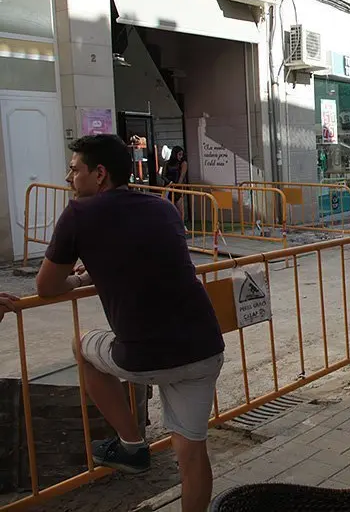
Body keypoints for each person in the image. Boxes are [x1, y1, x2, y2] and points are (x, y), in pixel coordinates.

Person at [35, 134, 224, 512]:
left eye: (75, 170)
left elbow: (46, 287)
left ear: (99, 174)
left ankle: (131, 445)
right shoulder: (162, 207)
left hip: (144, 355)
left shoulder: (79, 213)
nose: (70, 178)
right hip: (204, 347)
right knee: (192, 454)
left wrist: (76, 279)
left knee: (82, 346)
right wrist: (96, 272)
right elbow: (145, 257)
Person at [163, 146, 188, 216]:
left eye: (182, 155)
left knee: (180, 210)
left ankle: (181, 225)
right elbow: (163, 176)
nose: (181, 156)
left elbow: (182, 177)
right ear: (174, 154)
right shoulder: (167, 163)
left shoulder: (182, 163)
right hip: (168, 187)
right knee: (169, 209)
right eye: (179, 154)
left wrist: (177, 186)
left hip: (177, 189)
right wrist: (169, 182)